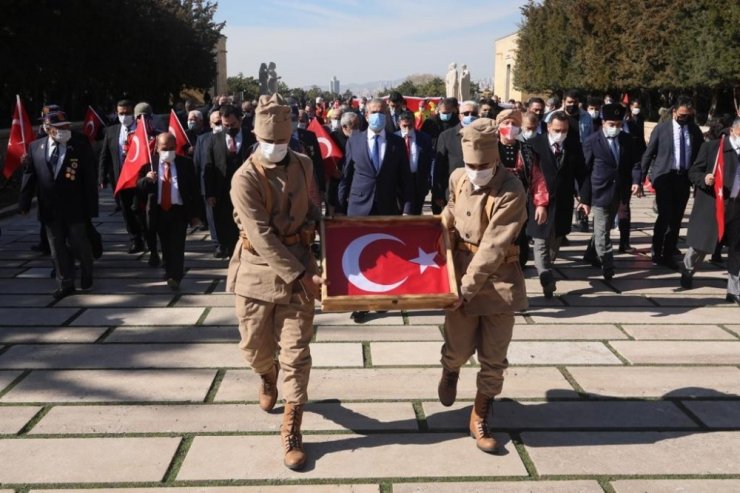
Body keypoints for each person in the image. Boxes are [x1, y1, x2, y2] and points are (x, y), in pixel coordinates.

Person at [228, 93, 324, 470]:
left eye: (281, 143)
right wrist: (301, 274)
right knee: (254, 348)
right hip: (256, 270)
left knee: (297, 354)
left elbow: (311, 206)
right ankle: (267, 377)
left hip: (300, 266)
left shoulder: (303, 164)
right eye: (268, 143)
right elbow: (262, 235)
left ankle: (292, 426)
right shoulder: (244, 178)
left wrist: (326, 221)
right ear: (256, 138)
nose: (275, 149)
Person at [437, 117, 527, 454]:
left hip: (497, 282)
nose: (476, 171)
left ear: (496, 159)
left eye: (483, 165)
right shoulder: (459, 178)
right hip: (458, 273)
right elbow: (451, 206)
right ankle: (450, 369)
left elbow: (494, 247)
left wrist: (465, 289)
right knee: (458, 347)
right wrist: (440, 223)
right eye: (470, 164)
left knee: (494, 357)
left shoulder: (511, 189)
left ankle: (480, 413)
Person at [337, 97, 414, 323]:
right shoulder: (355, 140)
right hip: (359, 207)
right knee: (360, 257)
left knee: (385, 254)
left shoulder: (396, 142)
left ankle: (382, 298)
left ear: (387, 114)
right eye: (373, 111)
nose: (377, 115)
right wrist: (340, 208)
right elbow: (346, 175)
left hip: (387, 206)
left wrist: (408, 208)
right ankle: (361, 302)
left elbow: (405, 178)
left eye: (381, 111)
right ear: (365, 114)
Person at [19, 110, 98, 300]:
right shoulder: (35, 147)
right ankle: (65, 283)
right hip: (50, 209)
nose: (65, 130)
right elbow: (30, 176)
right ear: (48, 129)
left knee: (79, 243)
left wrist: (92, 207)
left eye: (66, 126)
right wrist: (24, 202)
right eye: (60, 128)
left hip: (75, 208)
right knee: (57, 248)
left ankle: (87, 270)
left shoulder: (79, 146)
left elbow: (89, 179)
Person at [637, 96, 704, 269]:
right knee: (665, 215)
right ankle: (657, 250)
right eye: (682, 115)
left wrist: (699, 183)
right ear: (674, 112)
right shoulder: (662, 129)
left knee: (676, 219)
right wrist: (639, 179)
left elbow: (699, 158)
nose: (684, 119)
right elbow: (648, 153)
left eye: (688, 115)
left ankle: (668, 253)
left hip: (683, 179)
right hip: (664, 177)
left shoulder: (694, 130)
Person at [579, 104, 643, 280]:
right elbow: (585, 170)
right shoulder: (592, 141)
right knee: (602, 231)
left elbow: (635, 163)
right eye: (611, 124)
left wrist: (636, 181)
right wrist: (584, 198)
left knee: (604, 226)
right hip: (599, 191)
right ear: (603, 122)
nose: (615, 128)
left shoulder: (627, 140)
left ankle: (591, 254)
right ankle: (608, 265)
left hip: (619, 191)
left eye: (618, 124)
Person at [681, 118, 740, 305]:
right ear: (733, 130)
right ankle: (687, 269)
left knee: (737, 249)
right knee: (701, 246)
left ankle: (734, 290)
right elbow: (693, 172)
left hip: (737, 206)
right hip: (714, 204)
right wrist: (704, 178)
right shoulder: (713, 148)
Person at [527, 111, 586, 297]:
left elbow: (582, 174)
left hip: (563, 202)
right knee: (540, 240)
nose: (561, 133)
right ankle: (545, 274)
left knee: (556, 239)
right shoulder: (534, 145)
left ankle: (546, 267)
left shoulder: (574, 146)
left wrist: (584, 198)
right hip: (539, 202)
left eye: (565, 130)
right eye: (557, 130)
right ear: (548, 127)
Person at [137, 133, 200, 290]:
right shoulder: (149, 164)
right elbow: (138, 188)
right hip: (158, 211)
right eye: (165, 149)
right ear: (157, 148)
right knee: (165, 244)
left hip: (178, 211)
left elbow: (194, 190)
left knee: (177, 245)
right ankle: (168, 269)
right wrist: (146, 179)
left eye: (172, 148)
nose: (169, 152)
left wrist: (196, 215)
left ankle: (175, 276)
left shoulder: (185, 163)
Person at [496, 109, 549, 268]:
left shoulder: (527, 150)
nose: (510, 127)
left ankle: (518, 267)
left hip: (520, 202)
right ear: (498, 126)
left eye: (514, 124)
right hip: (494, 201)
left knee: (520, 239)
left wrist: (541, 204)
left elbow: (537, 178)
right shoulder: (490, 148)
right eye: (506, 123)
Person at [204, 104, 256, 259]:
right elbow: (209, 167)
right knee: (225, 223)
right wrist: (210, 193)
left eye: (232, 125)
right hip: (222, 191)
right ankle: (229, 250)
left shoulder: (251, 137)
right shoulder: (214, 139)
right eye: (225, 125)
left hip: (247, 190)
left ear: (240, 120)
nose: (229, 128)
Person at [99, 99, 148, 253]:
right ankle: (135, 239)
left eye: (127, 113)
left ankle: (147, 236)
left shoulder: (142, 129)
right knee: (126, 210)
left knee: (138, 208)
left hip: (139, 178)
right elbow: (104, 155)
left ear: (132, 113)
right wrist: (102, 177)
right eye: (121, 113)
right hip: (120, 178)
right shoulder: (112, 131)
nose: (124, 116)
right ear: (117, 113)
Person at [432, 101, 478, 214]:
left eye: (473, 113)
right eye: (466, 113)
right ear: (459, 115)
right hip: (453, 191)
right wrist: (438, 193)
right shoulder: (446, 136)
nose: (470, 116)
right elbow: (439, 167)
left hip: (479, 191)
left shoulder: (486, 135)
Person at [194, 110, 222, 256]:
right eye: (216, 123)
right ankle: (217, 244)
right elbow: (197, 164)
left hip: (225, 183)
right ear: (210, 124)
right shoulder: (202, 139)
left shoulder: (230, 138)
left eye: (221, 122)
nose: (220, 126)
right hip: (208, 184)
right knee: (212, 217)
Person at [397, 111, 433, 214]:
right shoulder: (393, 138)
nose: (407, 129)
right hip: (399, 182)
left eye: (410, 126)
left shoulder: (424, 138)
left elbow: (429, 160)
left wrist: (428, 180)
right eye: (404, 126)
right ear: (399, 124)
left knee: (415, 213)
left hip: (417, 181)